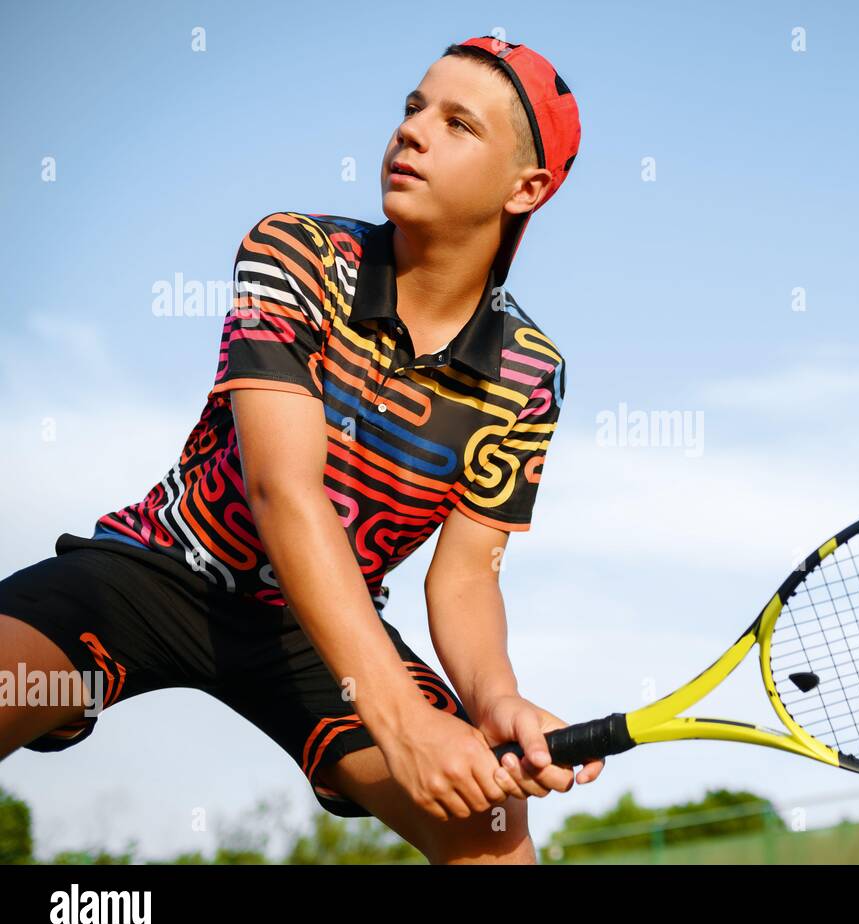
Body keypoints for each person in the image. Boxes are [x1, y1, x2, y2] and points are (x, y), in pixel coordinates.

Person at [0, 35, 596, 864]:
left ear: (526, 188)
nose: (413, 131)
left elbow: (465, 575)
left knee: (491, 833)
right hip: (159, 570)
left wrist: (494, 700)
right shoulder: (295, 251)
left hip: (323, 630)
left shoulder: (532, 371)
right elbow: (285, 494)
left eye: (459, 123)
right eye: (413, 108)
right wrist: (402, 722)